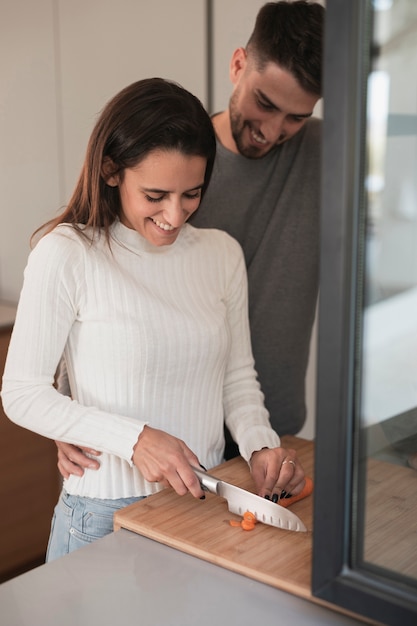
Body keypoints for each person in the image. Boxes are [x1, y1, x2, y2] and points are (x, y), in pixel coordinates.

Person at [1, 78, 306, 561]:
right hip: (103, 518)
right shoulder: (68, 253)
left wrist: (260, 447)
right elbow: (22, 394)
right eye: (156, 194)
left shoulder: (221, 255)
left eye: (192, 194)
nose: (174, 214)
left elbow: (237, 379)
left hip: (202, 507)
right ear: (111, 171)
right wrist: (134, 439)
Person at [54, 0, 324, 475]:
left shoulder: (328, 153)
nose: (273, 131)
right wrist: (69, 418)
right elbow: (83, 285)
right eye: (265, 103)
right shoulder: (174, 167)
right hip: (158, 443)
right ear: (238, 64)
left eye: (296, 118)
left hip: (270, 435)